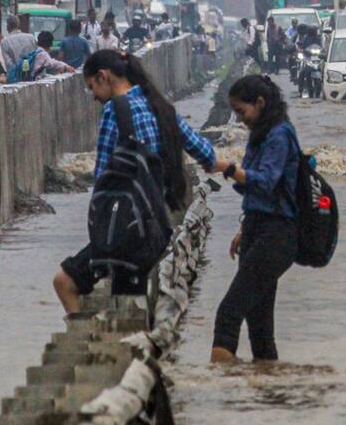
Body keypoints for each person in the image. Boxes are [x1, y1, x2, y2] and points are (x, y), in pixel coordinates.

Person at [53, 50, 217, 313]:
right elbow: (206, 154)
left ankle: (85, 346)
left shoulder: (114, 111)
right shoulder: (161, 107)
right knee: (129, 305)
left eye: (91, 87)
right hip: (157, 230)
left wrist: (101, 236)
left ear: (103, 76)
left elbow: (102, 179)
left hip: (126, 232)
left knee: (64, 282)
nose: (93, 95)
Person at [210, 76, 300, 363]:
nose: (239, 119)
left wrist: (228, 168)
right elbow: (251, 189)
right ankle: (266, 395)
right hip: (256, 228)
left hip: (278, 235)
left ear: (260, 103)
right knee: (259, 328)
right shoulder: (259, 135)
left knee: (229, 312)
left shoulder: (280, 135)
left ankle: (225, 392)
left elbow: (266, 182)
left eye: (241, 111)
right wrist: (242, 230)